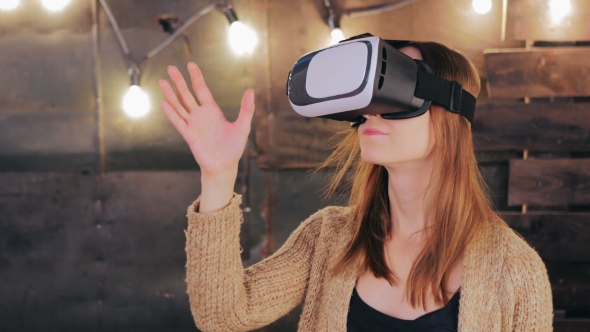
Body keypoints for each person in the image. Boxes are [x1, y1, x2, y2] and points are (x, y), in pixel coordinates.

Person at [158, 41, 553, 332]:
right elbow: (223, 314)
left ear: (449, 111)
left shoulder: (515, 270)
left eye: (395, 89)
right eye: (368, 95)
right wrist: (218, 175)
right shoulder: (328, 237)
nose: (371, 110)